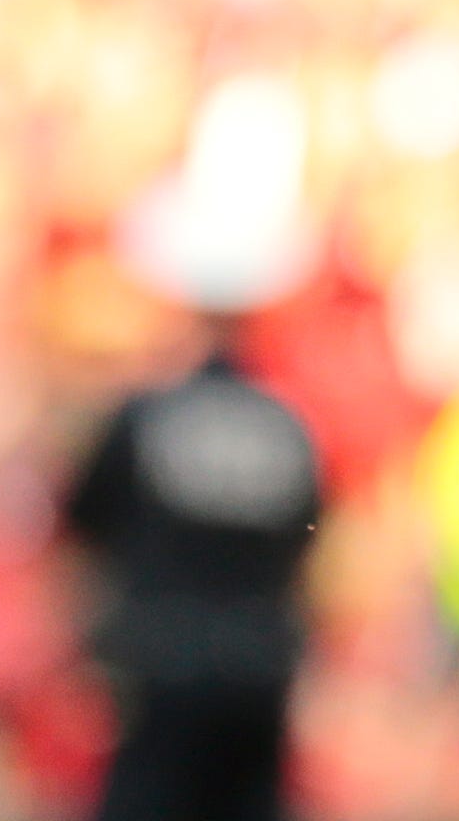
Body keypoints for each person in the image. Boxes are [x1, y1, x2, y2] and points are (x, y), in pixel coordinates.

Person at [58, 269, 324, 821]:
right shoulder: (286, 423)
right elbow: (308, 534)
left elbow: (83, 520)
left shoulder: (149, 416)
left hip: (163, 663)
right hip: (260, 664)